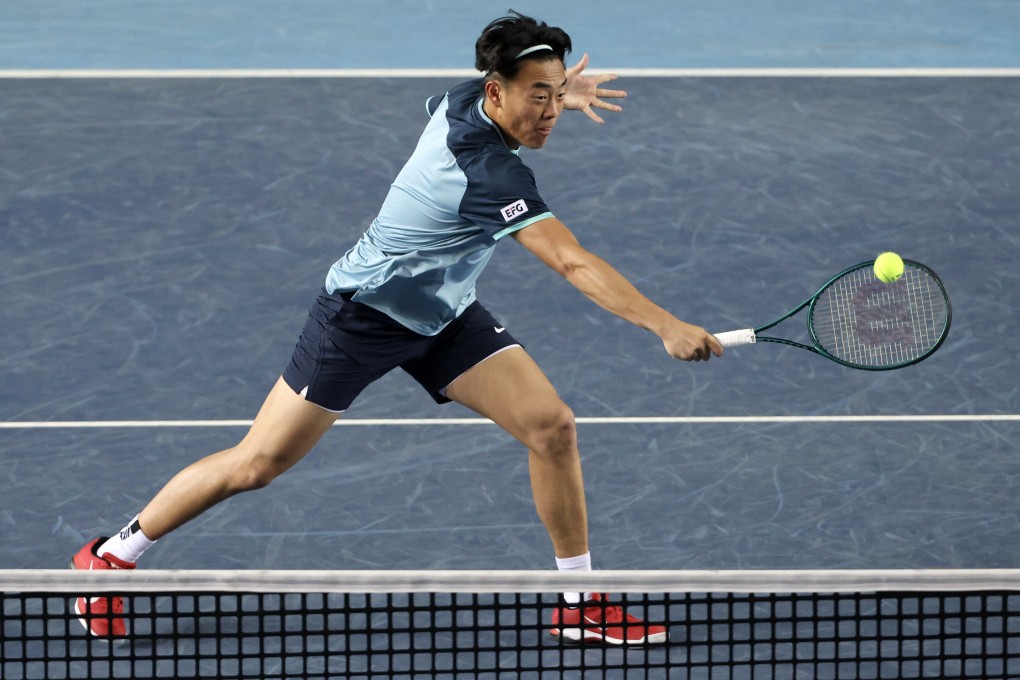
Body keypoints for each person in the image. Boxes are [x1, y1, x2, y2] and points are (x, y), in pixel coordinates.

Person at [70, 11, 723, 645]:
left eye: (556, 95)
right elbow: (571, 261)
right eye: (538, 97)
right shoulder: (489, 171)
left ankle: (579, 602)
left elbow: (500, 94)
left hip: (443, 312)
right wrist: (665, 324)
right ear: (497, 93)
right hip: (361, 316)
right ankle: (111, 556)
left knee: (552, 427)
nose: (551, 111)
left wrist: (555, 91)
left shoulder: (465, 98)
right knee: (257, 464)